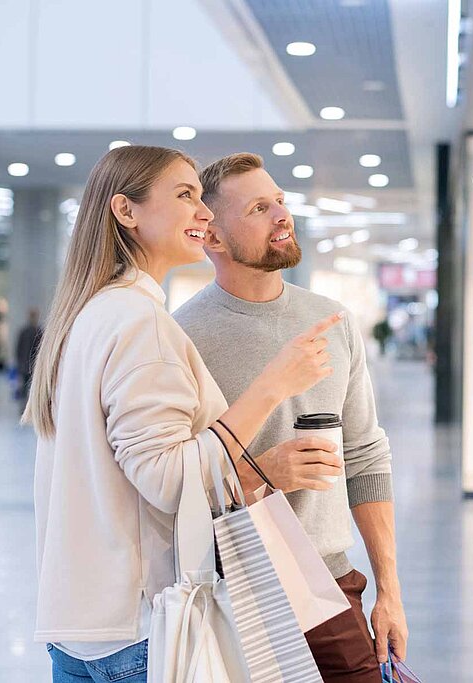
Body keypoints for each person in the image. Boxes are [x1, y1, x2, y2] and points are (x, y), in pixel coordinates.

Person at [24, 145, 342, 683]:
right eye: (184, 195)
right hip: (141, 631)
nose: (204, 211)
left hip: (78, 630)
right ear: (126, 211)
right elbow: (170, 481)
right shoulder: (140, 321)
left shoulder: (88, 313)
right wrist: (272, 386)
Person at [173, 152, 407, 682]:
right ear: (213, 237)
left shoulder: (331, 321)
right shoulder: (181, 337)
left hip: (331, 582)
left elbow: (366, 456)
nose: (283, 214)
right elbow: (169, 483)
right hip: (231, 592)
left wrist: (389, 590)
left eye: (279, 200)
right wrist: (264, 473)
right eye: (259, 208)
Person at [15, 308, 43, 404]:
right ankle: (26, 404)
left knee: (29, 385)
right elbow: (19, 348)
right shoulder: (30, 331)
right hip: (28, 364)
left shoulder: (37, 331)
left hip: (30, 364)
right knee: (26, 385)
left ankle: (26, 403)